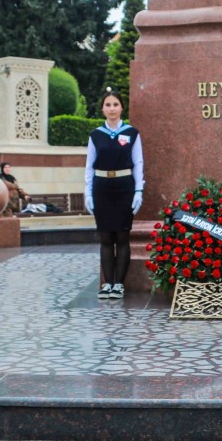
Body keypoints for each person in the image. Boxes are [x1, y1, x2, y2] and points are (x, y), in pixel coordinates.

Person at [84, 87, 144, 300]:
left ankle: (119, 284)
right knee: (106, 238)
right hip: (102, 188)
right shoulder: (96, 135)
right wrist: (88, 193)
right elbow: (89, 166)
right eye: (108, 105)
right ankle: (107, 284)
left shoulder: (131, 133)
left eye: (115, 104)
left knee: (122, 237)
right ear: (102, 108)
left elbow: (138, 163)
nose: (112, 108)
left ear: (122, 107)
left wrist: (139, 191)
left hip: (124, 187)